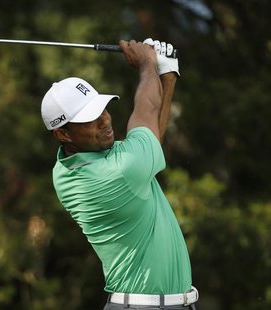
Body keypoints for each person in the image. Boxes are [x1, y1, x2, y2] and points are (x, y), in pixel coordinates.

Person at [41, 38, 198, 309]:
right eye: (89, 119)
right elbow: (146, 113)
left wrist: (167, 74)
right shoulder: (118, 172)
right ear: (63, 133)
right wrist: (148, 63)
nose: (105, 120)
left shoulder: (67, 169)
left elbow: (150, 137)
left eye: (102, 109)